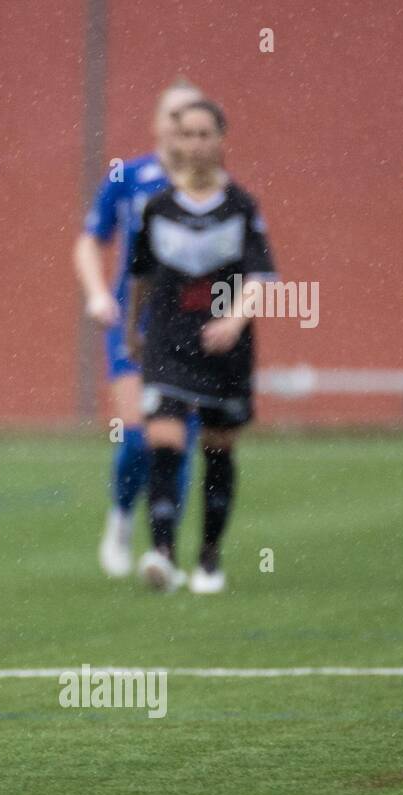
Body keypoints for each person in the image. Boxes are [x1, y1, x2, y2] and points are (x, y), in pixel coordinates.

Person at [127, 100, 275, 594]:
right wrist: (133, 328)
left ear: (220, 139)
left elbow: (261, 277)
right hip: (168, 343)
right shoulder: (157, 208)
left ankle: (209, 557)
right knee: (165, 440)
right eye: (185, 135)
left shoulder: (241, 206)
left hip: (223, 349)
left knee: (217, 448)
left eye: (203, 134)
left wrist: (235, 319)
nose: (193, 144)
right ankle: (163, 554)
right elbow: (141, 275)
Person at [74, 78, 205, 579]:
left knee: (179, 438)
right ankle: (123, 517)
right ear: (157, 124)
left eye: (192, 120)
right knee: (137, 435)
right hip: (133, 327)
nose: (181, 128)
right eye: (173, 117)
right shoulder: (128, 177)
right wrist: (97, 293)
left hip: (190, 331)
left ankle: (163, 551)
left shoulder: (209, 187)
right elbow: (90, 240)